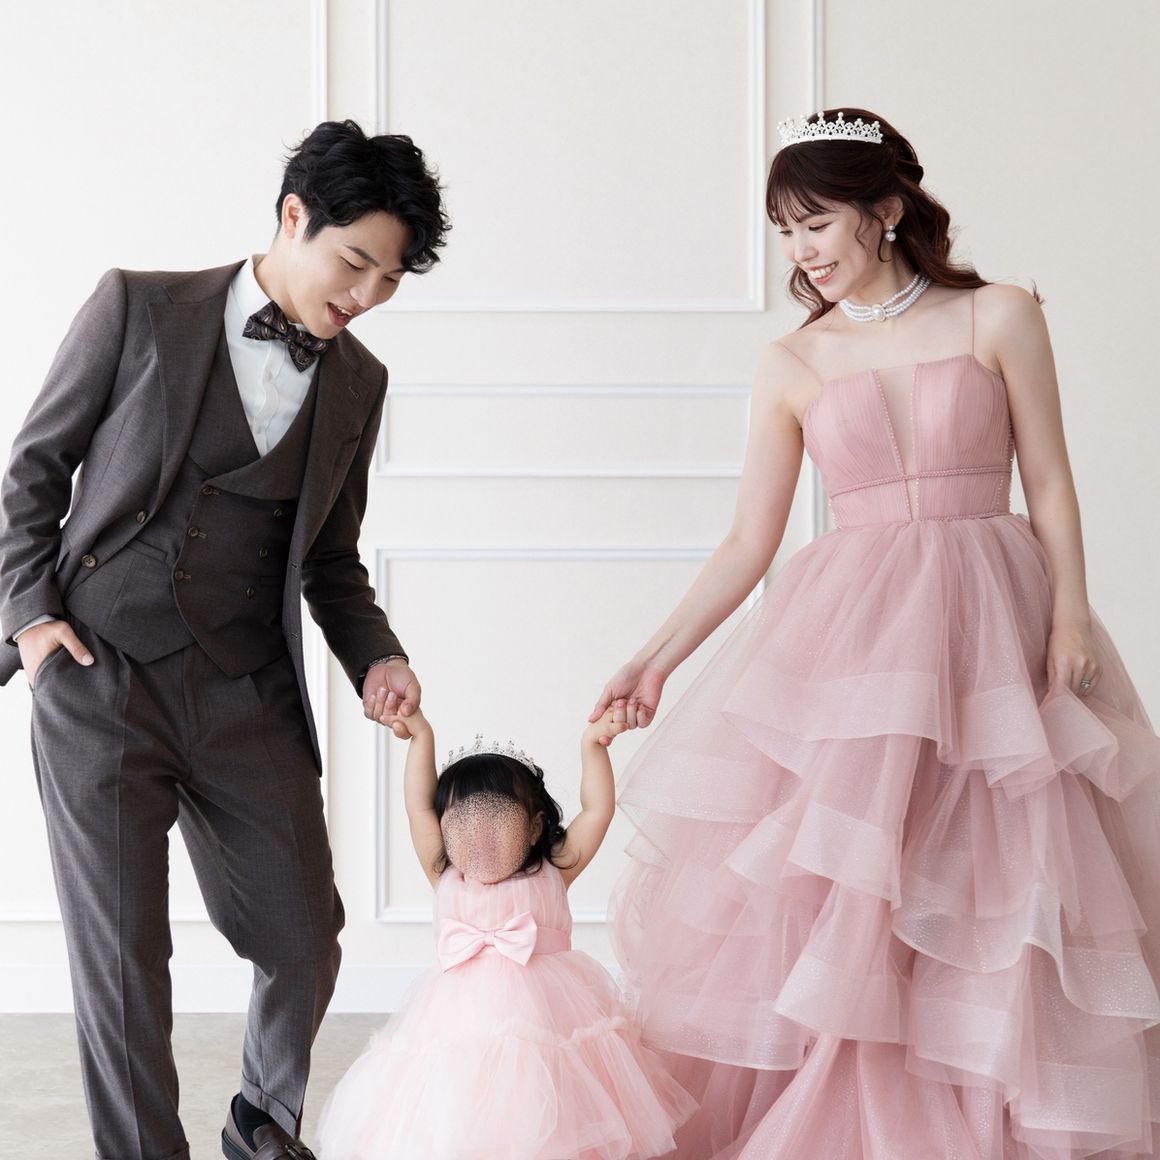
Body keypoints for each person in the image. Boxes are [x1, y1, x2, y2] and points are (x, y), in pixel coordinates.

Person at [590, 108, 1160, 1158]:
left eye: (816, 223)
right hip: (855, 647)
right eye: (785, 230)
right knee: (857, 884)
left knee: (1003, 872)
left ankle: (997, 1113)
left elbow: (1048, 480)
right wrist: (653, 656)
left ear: (886, 210)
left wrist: (1070, 615)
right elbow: (747, 541)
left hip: (997, 626)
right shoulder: (792, 361)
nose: (800, 251)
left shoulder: (997, 315)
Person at [0, 120, 449, 1160]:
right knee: (124, 962)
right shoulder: (137, 305)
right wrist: (30, 618)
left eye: (390, 279)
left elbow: (330, 555)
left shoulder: (361, 382)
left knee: (304, 933)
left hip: (247, 686)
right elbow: (34, 469)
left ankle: (261, 1122)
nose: (367, 294)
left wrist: (378, 656)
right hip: (100, 673)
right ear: (294, 216)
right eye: (355, 262)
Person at [317, 704, 695, 1159]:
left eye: (497, 816)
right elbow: (417, 807)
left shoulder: (555, 868)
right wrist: (421, 736)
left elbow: (597, 809)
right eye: (462, 819)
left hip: (551, 1009)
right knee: (458, 1091)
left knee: (552, 1090)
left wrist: (592, 745)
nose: (480, 833)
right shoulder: (445, 874)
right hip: (459, 1014)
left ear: (535, 827)